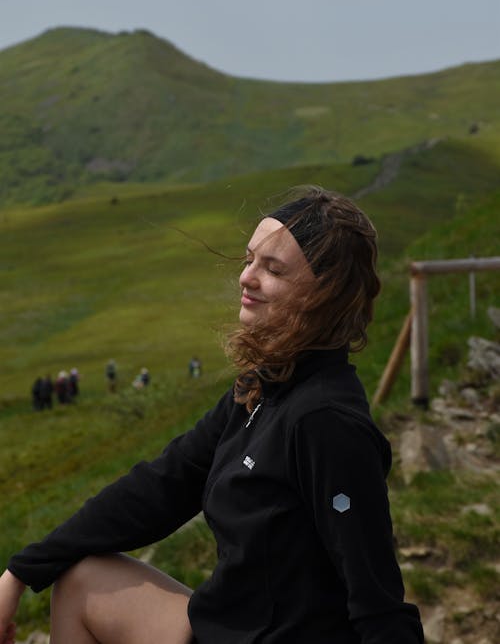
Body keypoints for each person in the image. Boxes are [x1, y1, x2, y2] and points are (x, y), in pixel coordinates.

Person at [0, 187, 424, 644]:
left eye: (273, 268)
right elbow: (164, 484)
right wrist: (19, 573)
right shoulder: (262, 388)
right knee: (81, 580)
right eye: (249, 260)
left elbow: (376, 598)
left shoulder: (324, 421)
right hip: (228, 625)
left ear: (324, 296)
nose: (247, 278)